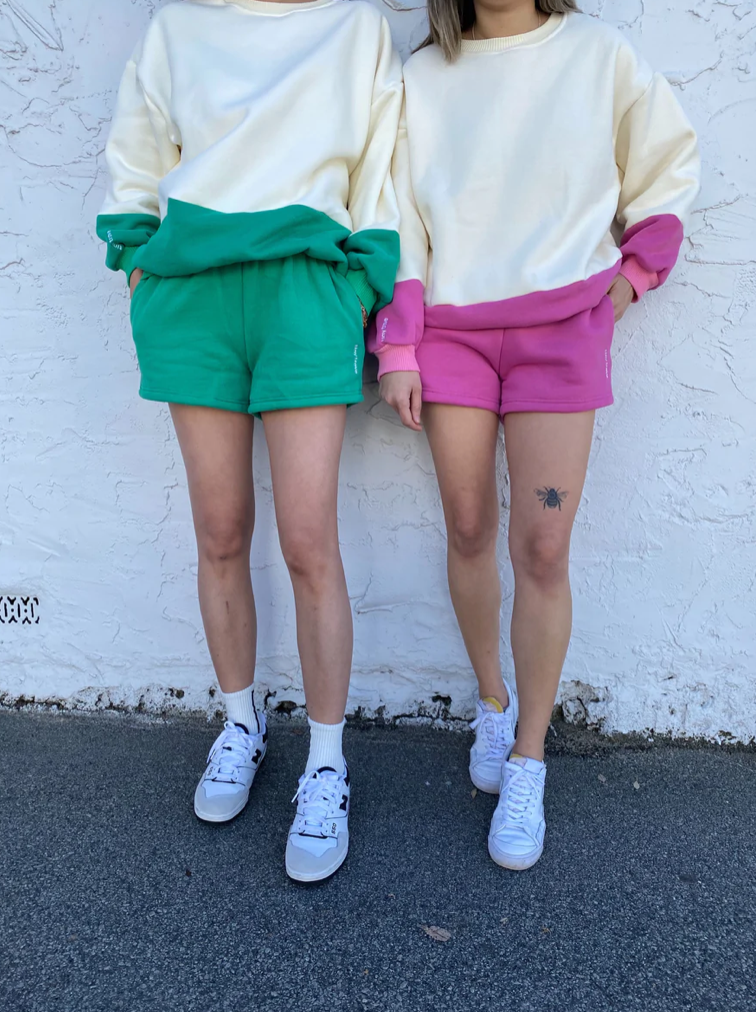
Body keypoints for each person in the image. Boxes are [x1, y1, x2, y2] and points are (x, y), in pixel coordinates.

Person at [372, 0, 699, 870]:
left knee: (544, 547)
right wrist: (398, 344)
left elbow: (666, 167)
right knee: (469, 526)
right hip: (451, 335)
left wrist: (627, 284)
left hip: (560, 334)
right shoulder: (422, 77)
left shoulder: (597, 55)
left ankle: (528, 759)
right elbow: (398, 218)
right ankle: (493, 704)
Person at [96, 0, 402, 883]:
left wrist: (358, 286)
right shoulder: (177, 27)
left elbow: (381, 169)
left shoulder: (355, 27)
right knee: (220, 531)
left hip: (305, 292)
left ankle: (327, 764)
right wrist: (137, 260)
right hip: (192, 297)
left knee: (309, 541)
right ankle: (240, 723)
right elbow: (137, 154)